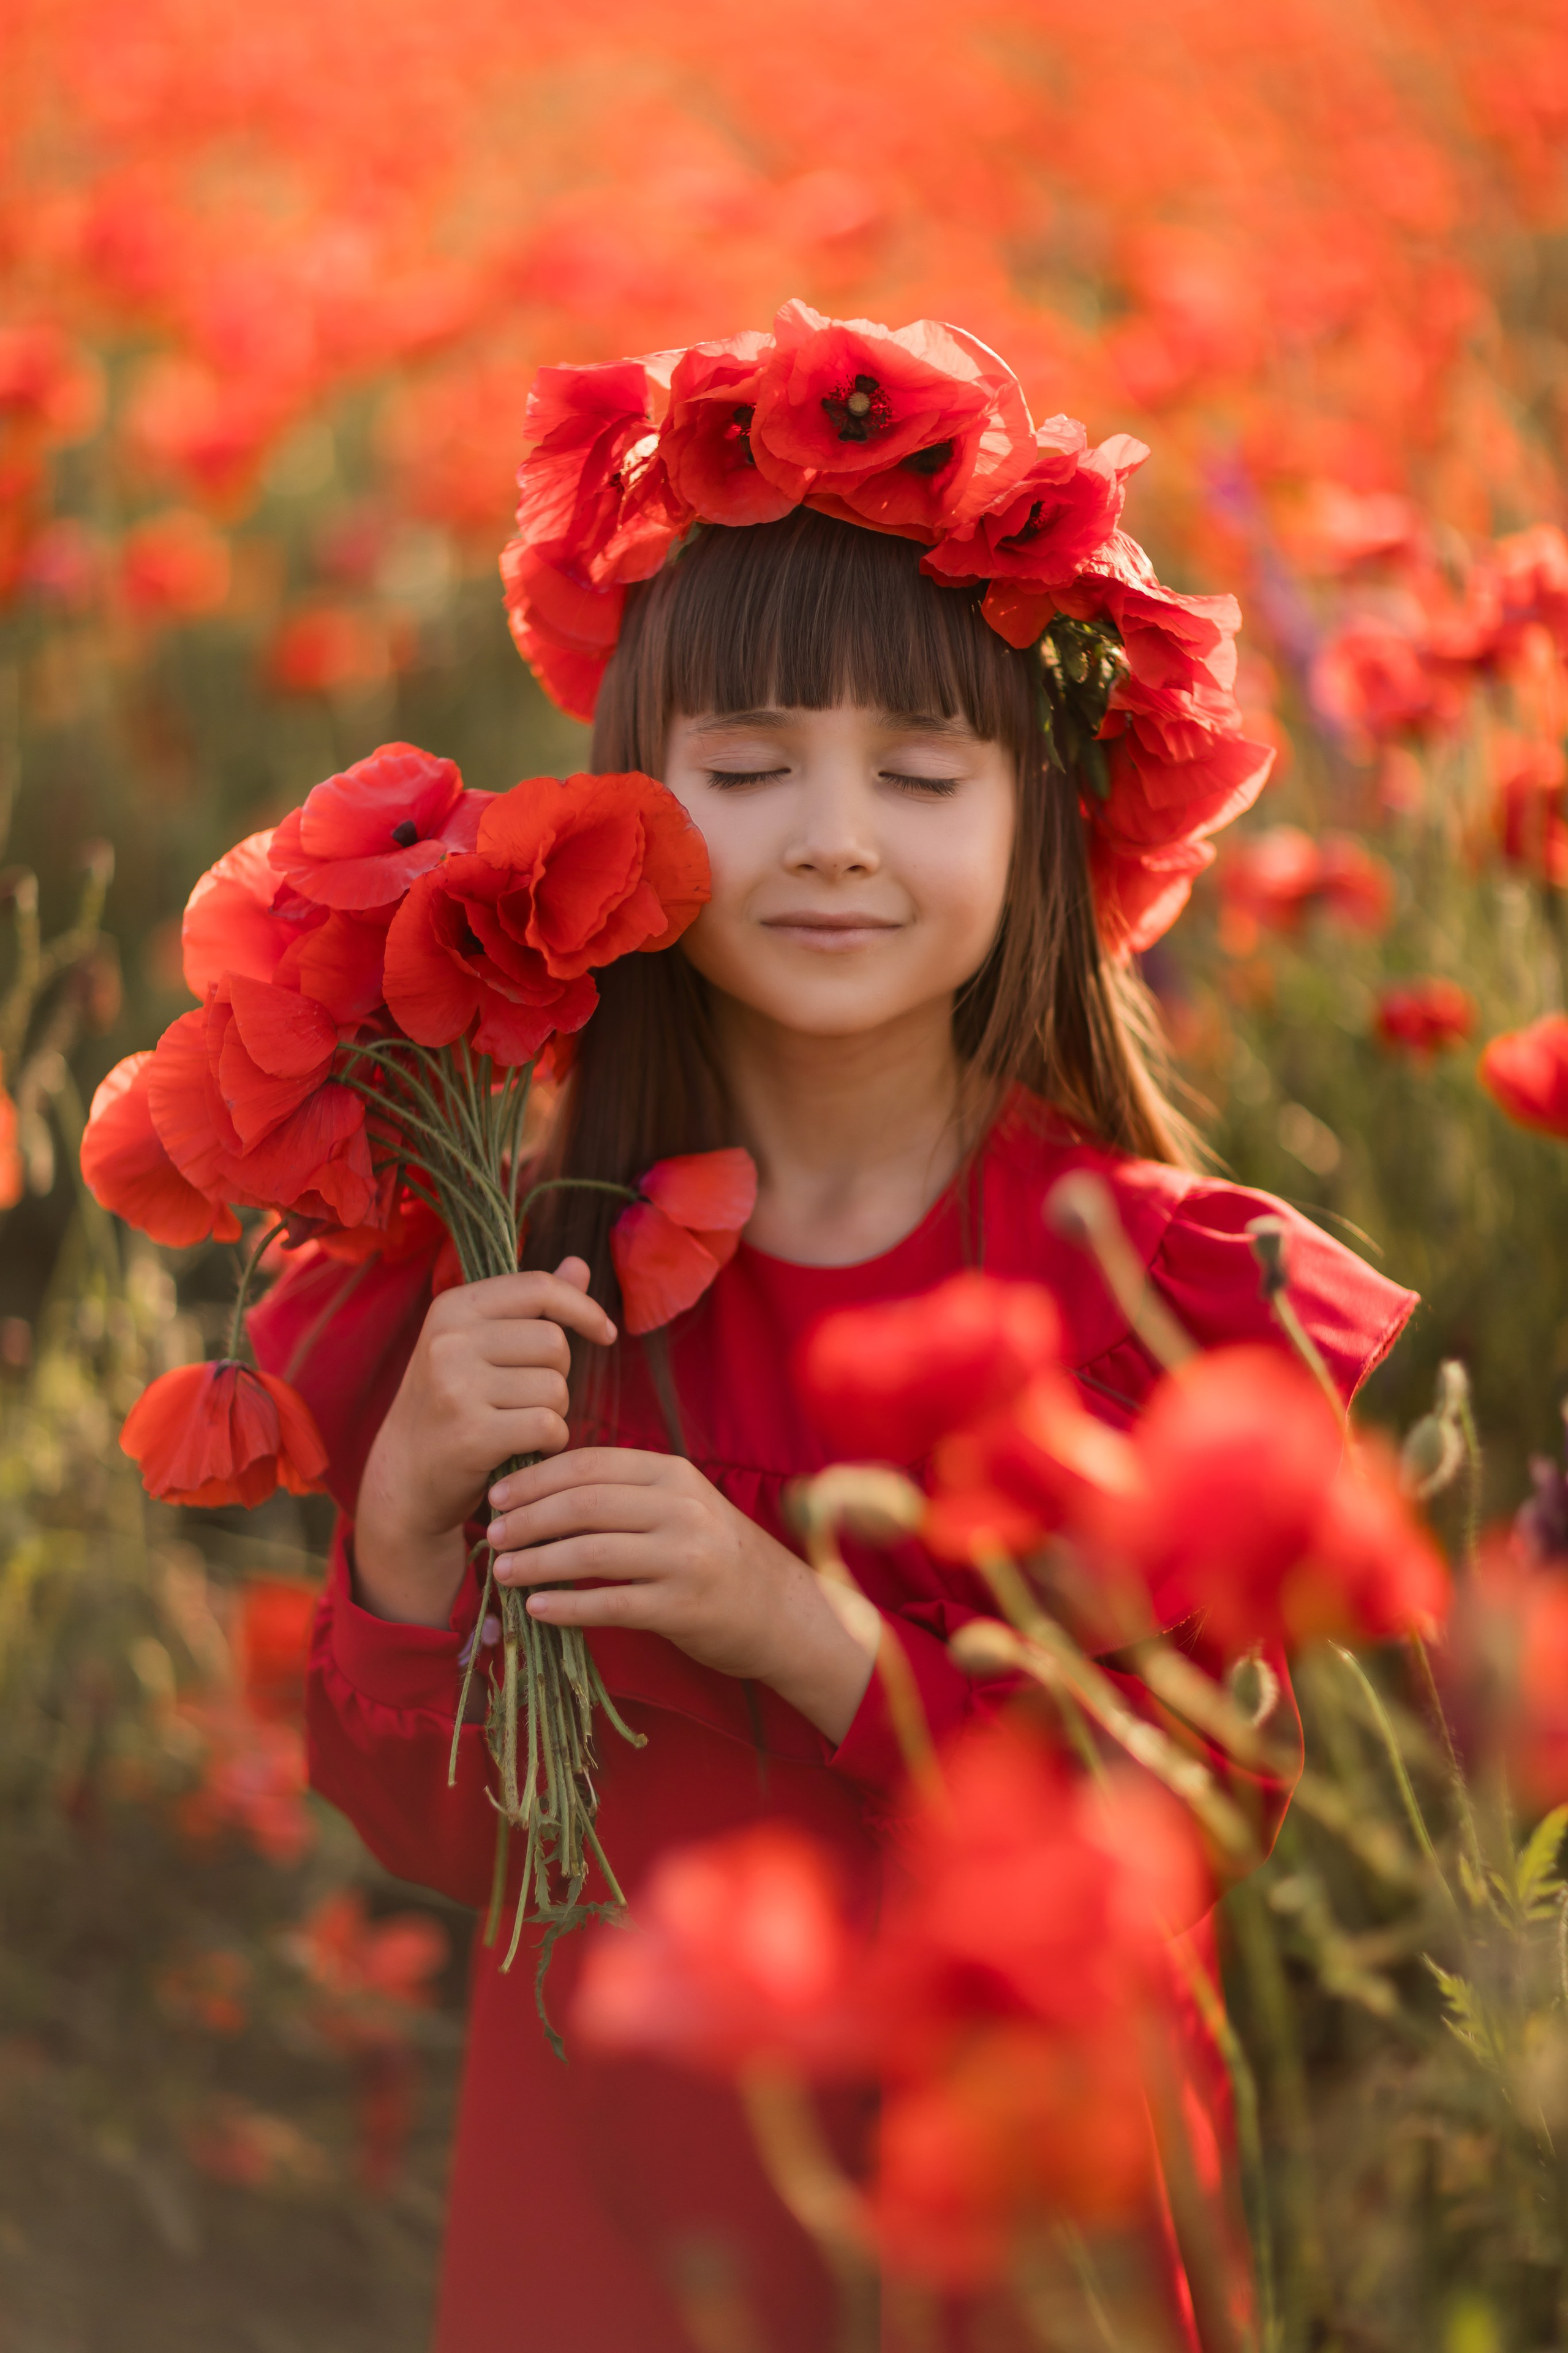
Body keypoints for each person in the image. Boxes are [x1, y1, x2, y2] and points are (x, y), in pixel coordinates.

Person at [251, 310, 1416, 2353]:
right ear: (641, 808)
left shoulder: (1142, 1290)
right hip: (616, 2234)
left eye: (920, 767)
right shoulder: (533, 1277)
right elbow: (442, 1832)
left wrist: (804, 1636)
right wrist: (418, 1513)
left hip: (1018, 2228)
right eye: (752, 766)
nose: (838, 833)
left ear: (1044, 812)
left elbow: (1198, 1810)